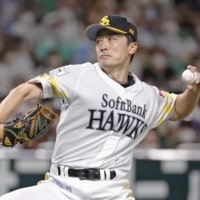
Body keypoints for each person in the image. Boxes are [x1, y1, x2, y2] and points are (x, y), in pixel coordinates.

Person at [0, 14, 200, 200]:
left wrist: (193, 91)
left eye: (112, 39)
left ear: (132, 47)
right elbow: (25, 91)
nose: (103, 45)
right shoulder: (78, 75)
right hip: (61, 187)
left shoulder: (148, 96)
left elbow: (179, 109)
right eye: (99, 41)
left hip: (113, 192)